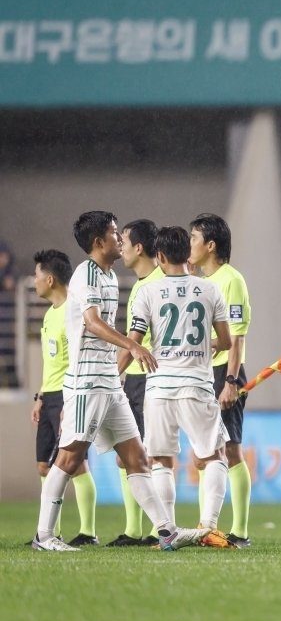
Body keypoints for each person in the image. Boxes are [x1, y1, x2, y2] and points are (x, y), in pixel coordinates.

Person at [32, 210, 208, 551]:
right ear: (99, 242)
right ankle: (45, 536)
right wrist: (132, 345)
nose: (119, 239)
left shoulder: (110, 276)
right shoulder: (86, 275)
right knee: (69, 458)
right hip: (87, 382)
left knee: (136, 458)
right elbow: (93, 323)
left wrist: (123, 358)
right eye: (114, 234)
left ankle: (167, 531)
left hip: (109, 382)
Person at [128, 226, 234, 547]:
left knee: (161, 461)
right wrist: (205, 345)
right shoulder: (210, 289)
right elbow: (227, 341)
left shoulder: (147, 292)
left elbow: (133, 342)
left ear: (159, 257)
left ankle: (169, 533)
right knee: (214, 456)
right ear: (187, 254)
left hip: (159, 387)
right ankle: (209, 528)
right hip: (197, 386)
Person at [189, 213, 253, 548]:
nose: (189, 245)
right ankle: (206, 526)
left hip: (223, 372)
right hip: (200, 373)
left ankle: (240, 532)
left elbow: (237, 337)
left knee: (230, 449)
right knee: (205, 452)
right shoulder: (198, 281)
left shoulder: (231, 280)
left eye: (194, 238)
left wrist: (230, 380)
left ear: (211, 245)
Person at [30, 249, 98, 546]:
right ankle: (51, 531)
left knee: (76, 463)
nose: (34, 282)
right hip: (50, 396)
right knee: (44, 466)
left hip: (68, 394)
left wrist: (67, 400)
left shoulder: (74, 310)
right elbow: (52, 362)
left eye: (36, 276)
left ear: (50, 278)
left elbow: (76, 360)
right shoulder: (49, 314)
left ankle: (88, 532)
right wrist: (40, 396)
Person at [108, 219, 164, 547]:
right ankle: (134, 529)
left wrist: (110, 373)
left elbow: (134, 342)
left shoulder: (152, 286)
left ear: (139, 248)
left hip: (150, 381)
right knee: (126, 455)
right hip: (138, 382)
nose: (121, 247)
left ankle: (156, 529)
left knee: (149, 456)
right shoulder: (146, 283)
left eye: (125, 241)